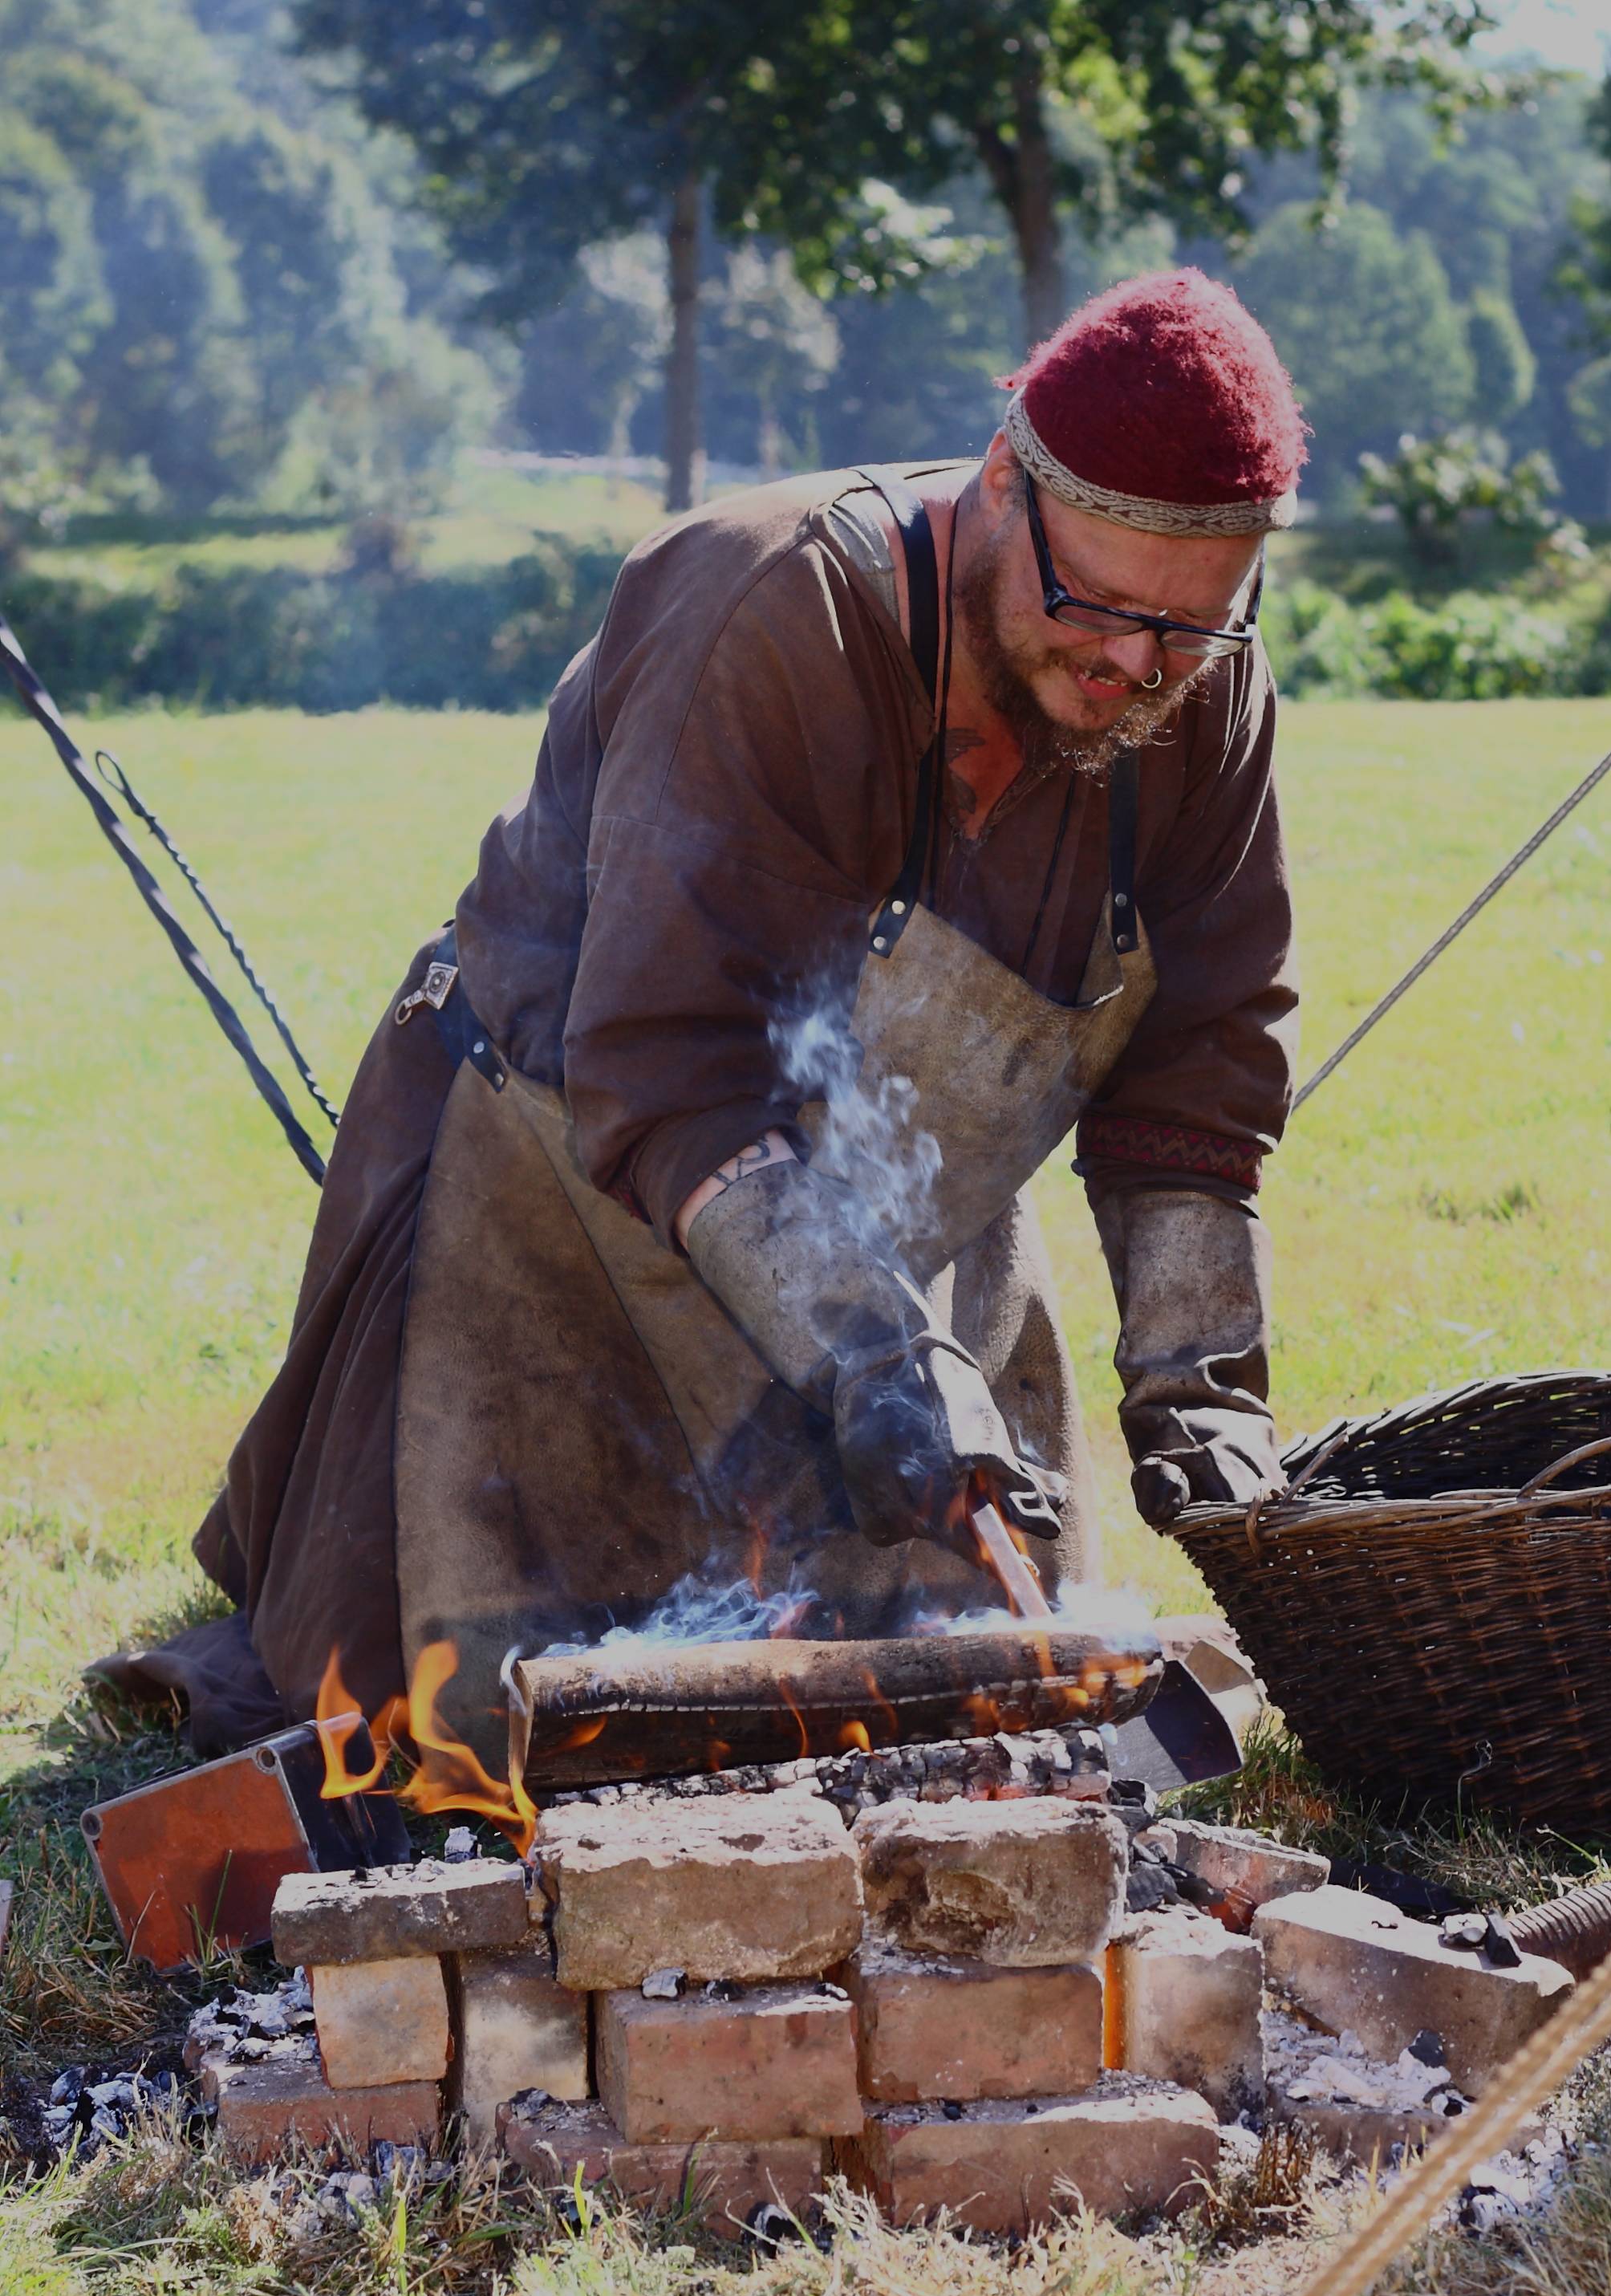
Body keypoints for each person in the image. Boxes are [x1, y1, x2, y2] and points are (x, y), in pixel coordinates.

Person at [105, 268, 1304, 1768]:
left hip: (926, 1232)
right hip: (578, 1193)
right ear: (1004, 482)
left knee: (989, 1717)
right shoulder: (768, 605)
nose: (1137, 669)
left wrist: (1206, 1395)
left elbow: (1199, 1071)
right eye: (1098, 608)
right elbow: (668, 1073)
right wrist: (875, 1364)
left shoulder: (1202, 695)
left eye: (1189, 632)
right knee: (532, 1723)